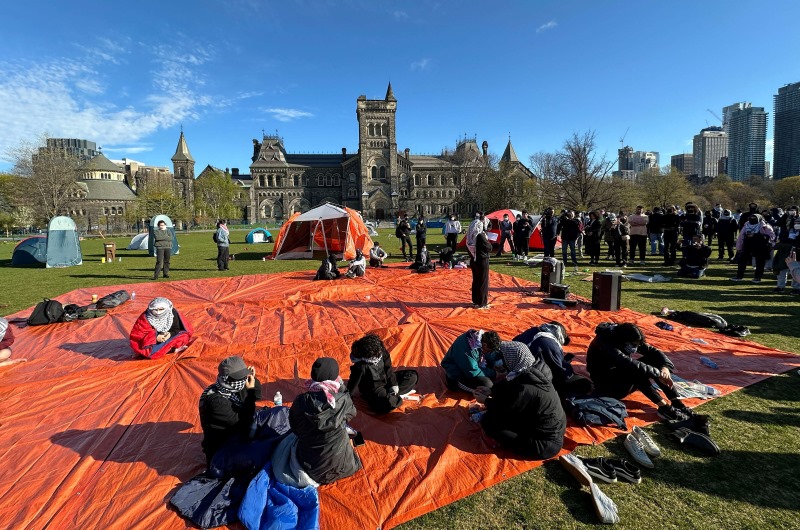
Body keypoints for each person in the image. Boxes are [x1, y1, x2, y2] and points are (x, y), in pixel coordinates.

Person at [474, 341, 566, 460]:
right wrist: (491, 390)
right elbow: (510, 388)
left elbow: (503, 408)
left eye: (505, 358)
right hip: (545, 431)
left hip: (542, 445)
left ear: (512, 360)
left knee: (489, 422)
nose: (503, 362)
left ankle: (509, 443)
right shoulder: (533, 373)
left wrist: (486, 401)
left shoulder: (525, 389)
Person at [586, 322, 690, 421]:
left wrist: (665, 368)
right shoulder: (605, 343)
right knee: (634, 370)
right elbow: (628, 363)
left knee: (653, 360)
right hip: (606, 384)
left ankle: (676, 401)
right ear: (624, 341)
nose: (636, 348)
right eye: (634, 345)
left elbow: (653, 352)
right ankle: (665, 408)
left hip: (618, 374)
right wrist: (658, 374)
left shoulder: (622, 336)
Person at [290, 357, 362, 485]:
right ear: (335, 377)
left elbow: (294, 427)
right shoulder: (343, 399)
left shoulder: (301, 401)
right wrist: (342, 390)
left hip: (312, 469)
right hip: (343, 466)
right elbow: (351, 413)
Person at [198, 356, 262, 466]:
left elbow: (257, 396)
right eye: (240, 377)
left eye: (244, 376)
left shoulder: (235, 386)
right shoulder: (215, 401)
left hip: (239, 430)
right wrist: (250, 392)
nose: (243, 380)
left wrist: (253, 380)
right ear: (226, 378)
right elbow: (242, 422)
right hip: (223, 447)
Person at [513, 322, 592, 397]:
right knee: (584, 384)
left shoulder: (531, 331)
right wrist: (567, 366)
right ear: (560, 337)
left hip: (510, 369)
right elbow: (561, 373)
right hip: (525, 381)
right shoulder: (552, 346)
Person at [346, 334, 418, 414]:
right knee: (385, 406)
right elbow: (352, 384)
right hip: (374, 389)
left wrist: (393, 384)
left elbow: (388, 368)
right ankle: (396, 397)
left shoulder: (380, 350)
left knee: (412, 376)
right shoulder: (361, 366)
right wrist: (345, 398)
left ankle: (393, 396)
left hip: (386, 379)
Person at [129, 297, 194, 359]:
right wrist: (156, 338)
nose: (158, 312)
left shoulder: (173, 313)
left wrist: (170, 334)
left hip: (169, 337)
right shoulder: (145, 317)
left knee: (184, 337)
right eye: (155, 309)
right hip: (151, 341)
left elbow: (177, 328)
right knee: (147, 351)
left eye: (161, 309)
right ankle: (169, 349)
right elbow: (138, 335)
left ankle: (172, 349)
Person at [731, 213, 775, 283]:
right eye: (751, 217)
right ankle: (739, 276)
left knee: (760, 262)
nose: (752, 219)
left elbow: (771, 236)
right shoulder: (746, 225)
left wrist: (756, 235)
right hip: (747, 244)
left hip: (760, 246)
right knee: (742, 261)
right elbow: (741, 236)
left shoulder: (765, 226)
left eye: (754, 218)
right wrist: (739, 247)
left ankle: (757, 277)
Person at [466, 213, 492, 308]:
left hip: (474, 260)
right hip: (482, 260)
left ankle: (476, 300)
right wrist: (488, 241)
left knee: (476, 280)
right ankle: (482, 302)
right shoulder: (480, 236)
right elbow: (489, 247)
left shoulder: (470, 237)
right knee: (483, 282)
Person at [773, 206, 799, 293]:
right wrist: (785, 215)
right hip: (785, 248)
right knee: (781, 268)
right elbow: (778, 223)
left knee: (797, 268)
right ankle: (780, 286)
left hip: (797, 249)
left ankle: (796, 288)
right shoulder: (785, 222)